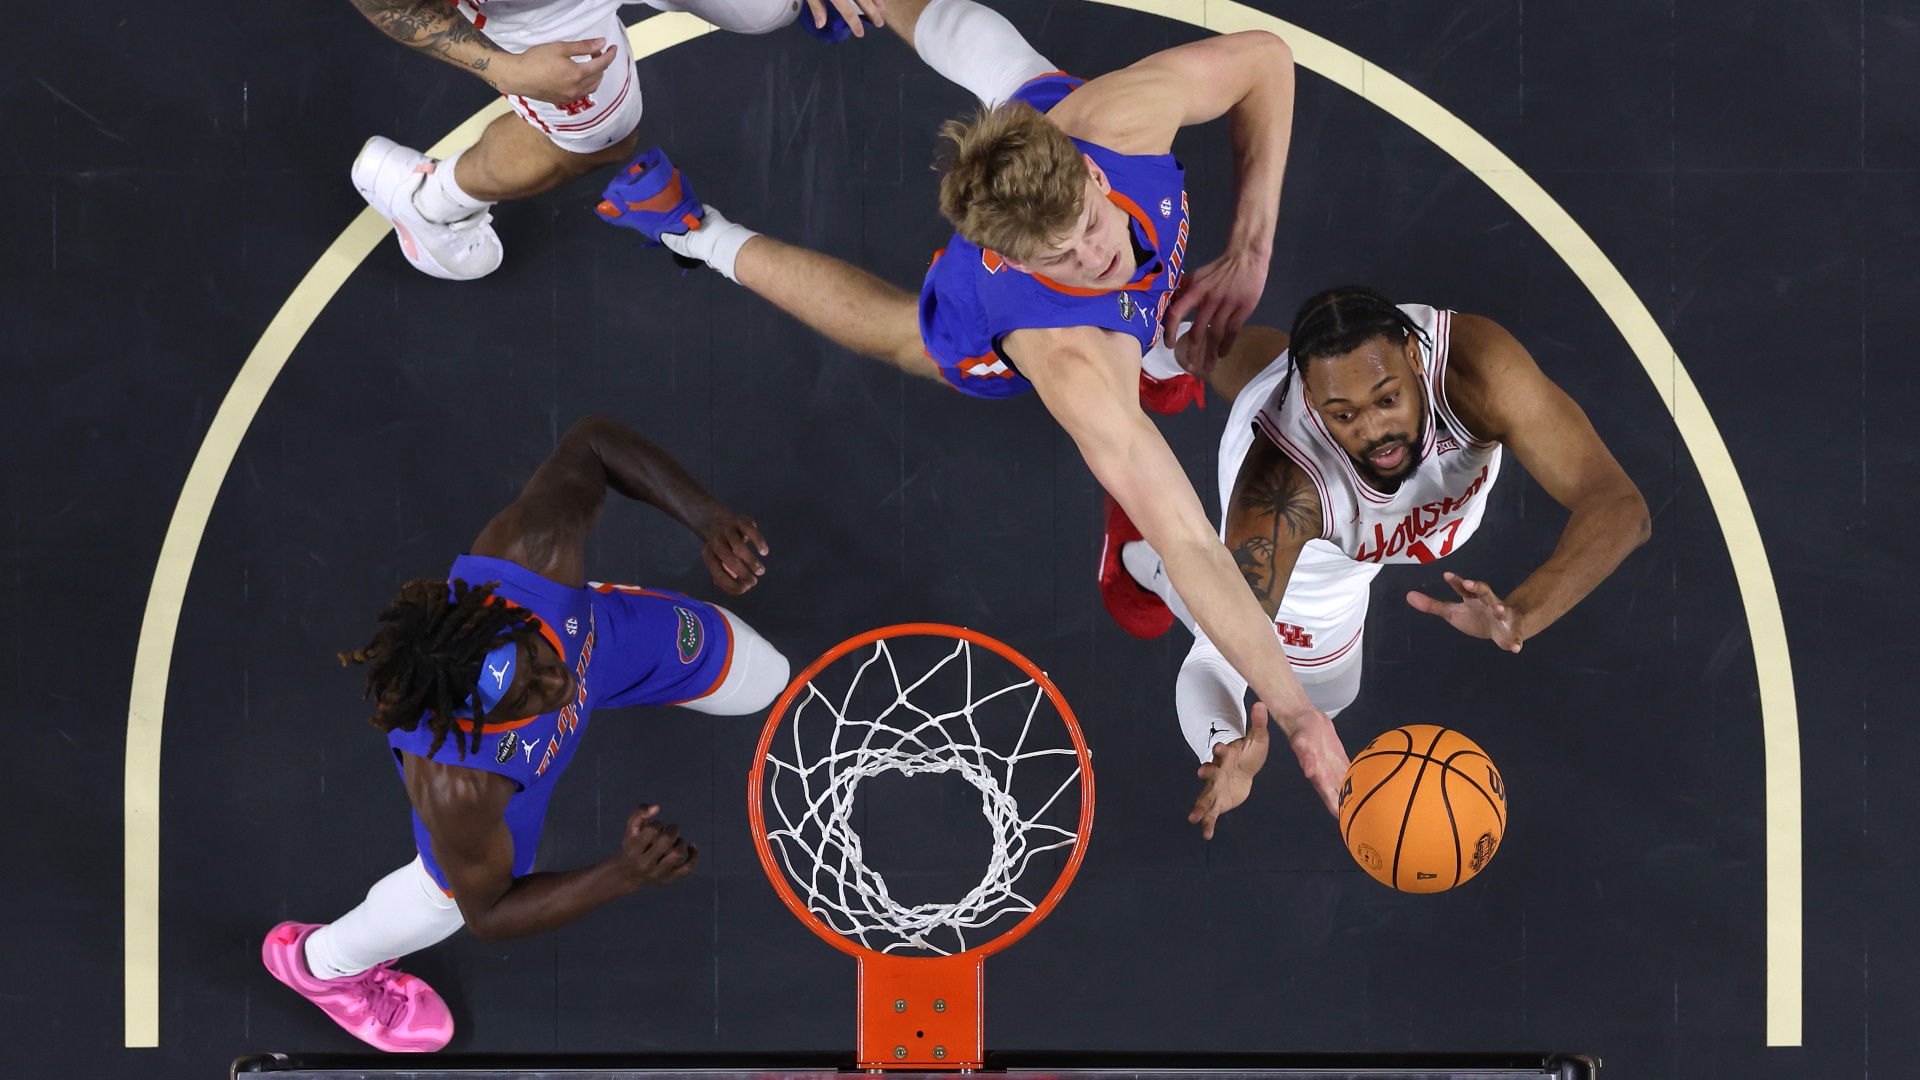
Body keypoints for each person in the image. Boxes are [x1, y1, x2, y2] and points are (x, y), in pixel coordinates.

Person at [597, 0, 1354, 814]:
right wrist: (1297, 707)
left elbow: (1268, 60)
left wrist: (1251, 242)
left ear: (1093, 173)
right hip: (1013, 324)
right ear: (1013, 255)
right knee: (903, 339)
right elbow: (1189, 541)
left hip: (1062, 128)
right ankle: (694, 231)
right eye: (1061, 255)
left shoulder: (1120, 119)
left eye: (1091, 225)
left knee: (1026, 81)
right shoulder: (1065, 356)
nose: (1096, 255)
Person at [261, 415, 790, 1051]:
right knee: (444, 897)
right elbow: (489, 913)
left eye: (535, 660)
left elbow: (593, 442)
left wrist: (708, 520)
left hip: (600, 639)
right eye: (526, 696)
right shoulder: (461, 785)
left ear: (507, 616)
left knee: (768, 680)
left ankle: (618, 653)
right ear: (469, 716)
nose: (555, 685)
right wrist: (623, 872)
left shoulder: (532, 555)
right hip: (518, 777)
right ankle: (320, 966)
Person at [1099, 286, 1651, 838]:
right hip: (1315, 564)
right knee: (1329, 693)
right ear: (1312, 404)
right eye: (1344, 415)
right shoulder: (1282, 493)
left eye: (1388, 399)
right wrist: (1221, 741)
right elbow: (1211, 661)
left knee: (1268, 359)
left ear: (1415, 357)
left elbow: (1619, 507)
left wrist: (1523, 614)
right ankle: (1141, 561)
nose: (1375, 433)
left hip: (1309, 409)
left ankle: (1170, 346)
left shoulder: (1476, 368)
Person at [344, 0, 882, 279]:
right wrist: (503, 69)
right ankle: (427, 200)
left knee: (769, 9)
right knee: (603, 139)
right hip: (540, 9)